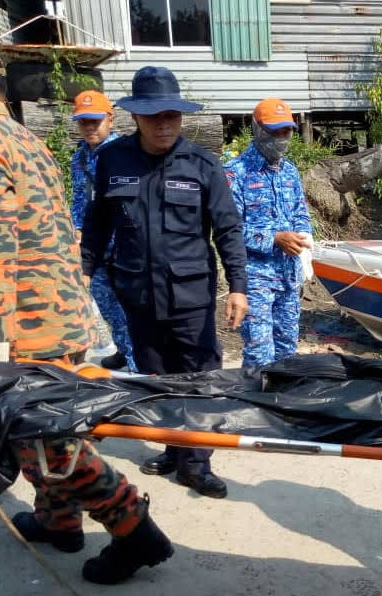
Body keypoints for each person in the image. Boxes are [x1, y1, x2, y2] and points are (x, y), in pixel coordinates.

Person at [0, 46, 172, 584]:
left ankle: (133, 527)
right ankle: (58, 522)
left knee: (48, 441)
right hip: (58, 314)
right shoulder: (26, 139)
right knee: (45, 429)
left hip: (27, 326)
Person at [81, 67, 248, 499]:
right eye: (154, 116)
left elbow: (228, 229)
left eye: (172, 115)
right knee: (158, 377)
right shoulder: (114, 160)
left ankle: (197, 464)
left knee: (197, 378)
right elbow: (98, 223)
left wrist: (239, 287)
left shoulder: (202, 164)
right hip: (138, 294)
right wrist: (81, 271)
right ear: (135, 117)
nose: (164, 124)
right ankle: (175, 450)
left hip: (190, 296)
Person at [224, 97, 312, 368]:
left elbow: (300, 213)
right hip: (255, 280)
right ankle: (257, 405)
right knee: (260, 355)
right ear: (258, 129)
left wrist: (305, 238)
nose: (282, 138)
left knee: (287, 351)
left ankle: (284, 406)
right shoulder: (235, 173)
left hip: (288, 276)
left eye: (286, 131)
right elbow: (230, 230)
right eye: (275, 131)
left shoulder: (290, 172)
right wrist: (274, 238)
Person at [70, 90, 136, 372]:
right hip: (93, 248)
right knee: (106, 305)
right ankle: (123, 350)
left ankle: (137, 363)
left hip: (123, 247)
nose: (89, 127)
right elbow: (79, 199)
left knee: (130, 308)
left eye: (95, 121)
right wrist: (76, 229)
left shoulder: (125, 154)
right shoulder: (80, 158)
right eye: (83, 121)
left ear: (110, 119)